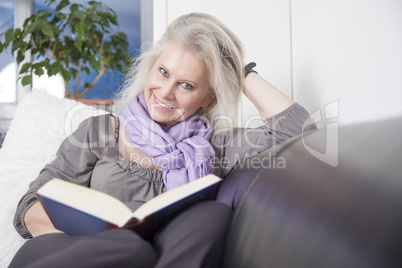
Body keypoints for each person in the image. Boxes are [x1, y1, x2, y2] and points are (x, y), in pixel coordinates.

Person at [10, 13, 315, 267]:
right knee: (129, 248)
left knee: (211, 216)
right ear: (151, 68)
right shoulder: (101, 132)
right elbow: (30, 204)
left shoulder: (214, 149)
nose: (166, 92)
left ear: (208, 98)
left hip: (156, 257)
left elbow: (297, 129)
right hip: (66, 254)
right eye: (163, 72)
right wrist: (66, 241)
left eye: (186, 84)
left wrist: (239, 72)